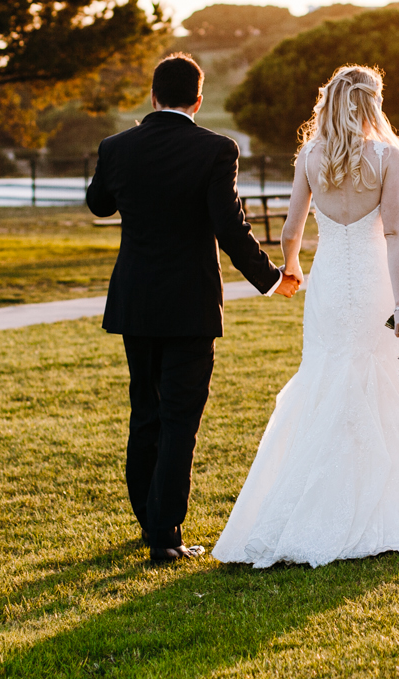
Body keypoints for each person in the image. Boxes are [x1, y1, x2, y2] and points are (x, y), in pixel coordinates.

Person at [212, 65, 399, 569]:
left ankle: (315, 498)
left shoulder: (312, 155)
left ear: (331, 101)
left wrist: (292, 269)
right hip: (373, 284)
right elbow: (394, 234)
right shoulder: (385, 154)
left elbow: (291, 228)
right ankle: (386, 501)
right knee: (381, 378)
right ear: (372, 102)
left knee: (325, 376)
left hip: (329, 285)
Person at [85, 53, 299, 565]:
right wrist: (272, 280)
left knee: (147, 412)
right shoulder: (215, 149)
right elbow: (231, 226)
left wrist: (124, 170)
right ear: (198, 101)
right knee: (181, 418)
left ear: (152, 95)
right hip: (190, 305)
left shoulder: (117, 147)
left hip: (135, 302)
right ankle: (165, 535)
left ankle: (149, 523)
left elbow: (98, 205)